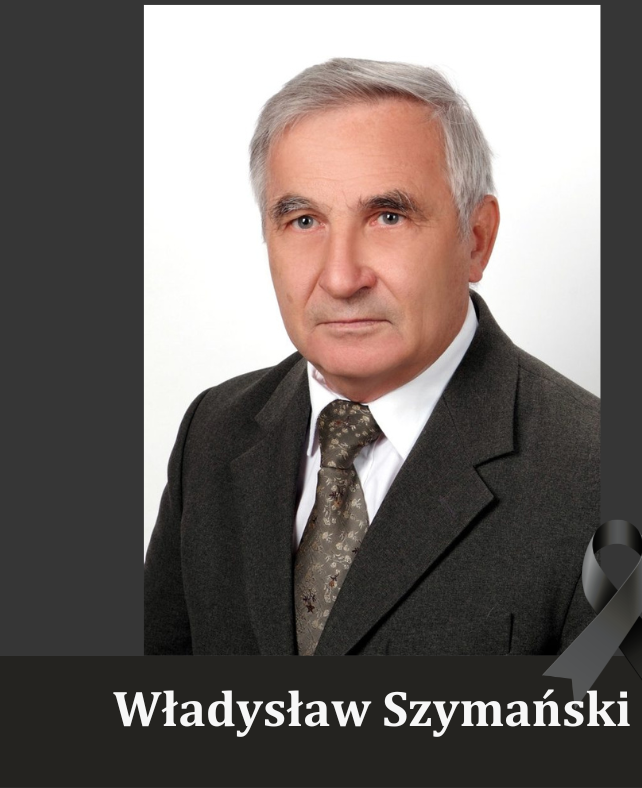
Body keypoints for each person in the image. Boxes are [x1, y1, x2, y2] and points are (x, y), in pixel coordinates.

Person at [144, 58, 599, 656]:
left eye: (388, 216)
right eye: (303, 220)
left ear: (476, 239)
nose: (340, 278)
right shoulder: (213, 431)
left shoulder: (593, 475)